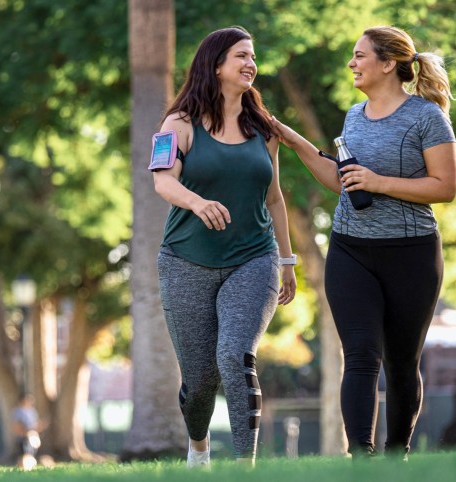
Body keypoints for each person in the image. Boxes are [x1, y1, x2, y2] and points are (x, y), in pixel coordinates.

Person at [271, 26, 456, 459]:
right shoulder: (355, 115)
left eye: (360, 56)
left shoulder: (427, 117)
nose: (352, 64)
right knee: (359, 354)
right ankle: (362, 457)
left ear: (388, 63)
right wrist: (295, 140)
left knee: (400, 361)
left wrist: (380, 182)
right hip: (350, 249)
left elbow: (445, 187)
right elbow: (344, 182)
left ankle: (397, 455)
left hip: (410, 253)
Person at [151, 26, 297, 468]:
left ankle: (244, 466)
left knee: (235, 355)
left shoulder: (263, 130)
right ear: (216, 65)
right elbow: (162, 180)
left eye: (253, 56)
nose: (251, 64)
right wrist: (197, 203)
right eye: (241, 56)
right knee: (199, 381)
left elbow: (273, 197)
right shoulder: (178, 124)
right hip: (185, 262)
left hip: (254, 258)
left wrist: (288, 260)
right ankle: (198, 448)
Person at [11, 393, 41, 469]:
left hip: (32, 434)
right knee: (24, 452)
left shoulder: (32, 411)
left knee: (32, 451)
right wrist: (24, 431)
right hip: (22, 435)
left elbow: (35, 423)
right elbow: (16, 424)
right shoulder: (17, 411)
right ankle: (23, 466)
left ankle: (30, 465)